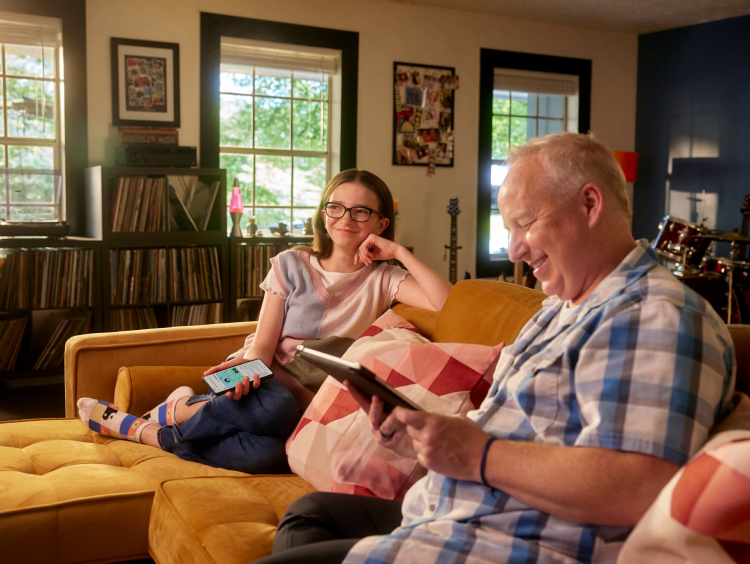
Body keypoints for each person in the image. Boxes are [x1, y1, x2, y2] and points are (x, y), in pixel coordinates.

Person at [256, 133, 737, 563]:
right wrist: (423, 441)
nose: (513, 250)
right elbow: (518, 427)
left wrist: (476, 455)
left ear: (590, 205)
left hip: (507, 538)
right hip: (457, 511)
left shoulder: (655, 316)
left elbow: (637, 486)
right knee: (312, 513)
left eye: (524, 223)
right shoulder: (560, 310)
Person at [76, 169, 453, 474]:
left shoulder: (383, 279)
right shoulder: (291, 263)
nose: (345, 219)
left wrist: (399, 251)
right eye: (336, 207)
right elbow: (262, 344)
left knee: (273, 456)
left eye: (360, 212)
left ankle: (161, 427)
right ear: (324, 213)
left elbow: (447, 302)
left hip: (310, 399)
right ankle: (161, 417)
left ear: (381, 221)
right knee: (276, 409)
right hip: (262, 381)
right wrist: (243, 372)